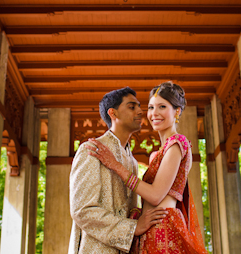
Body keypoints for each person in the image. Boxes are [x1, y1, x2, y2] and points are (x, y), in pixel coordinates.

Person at [86, 82, 207, 253]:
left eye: (162, 107)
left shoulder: (177, 144)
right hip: (150, 229)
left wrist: (115, 165)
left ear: (177, 111)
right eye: (151, 107)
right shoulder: (156, 155)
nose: (154, 113)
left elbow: (156, 196)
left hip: (165, 228)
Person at [69, 87, 168, 254]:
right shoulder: (91, 150)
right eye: (131, 107)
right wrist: (131, 228)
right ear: (113, 113)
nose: (140, 111)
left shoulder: (133, 162)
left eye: (139, 106)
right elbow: (82, 210)